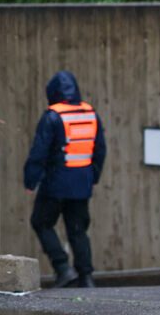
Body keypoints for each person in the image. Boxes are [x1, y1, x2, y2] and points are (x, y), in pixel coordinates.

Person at [24, 70, 106, 289]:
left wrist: (30, 181)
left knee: (41, 222)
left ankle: (62, 268)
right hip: (82, 184)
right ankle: (86, 277)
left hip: (55, 184)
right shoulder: (90, 113)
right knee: (78, 230)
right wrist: (94, 177)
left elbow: (39, 152)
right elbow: (100, 151)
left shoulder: (53, 116)